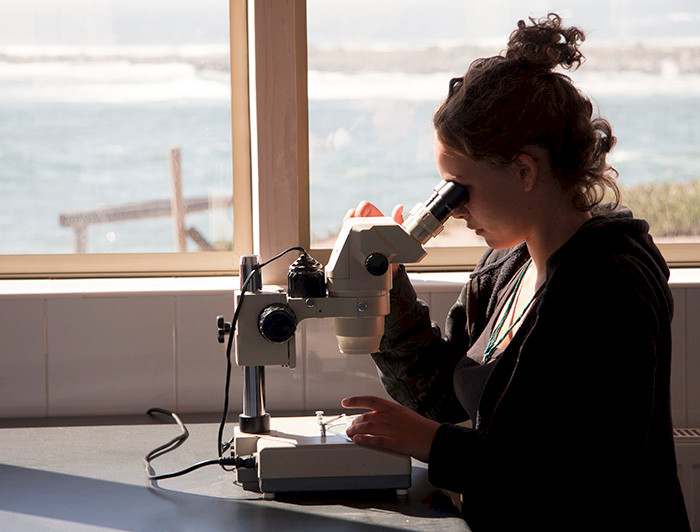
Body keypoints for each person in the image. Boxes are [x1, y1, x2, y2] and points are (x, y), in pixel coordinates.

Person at [341, 13, 690, 532]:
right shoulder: (509, 265)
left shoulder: (611, 287)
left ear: (524, 171)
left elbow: (581, 475)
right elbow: (438, 394)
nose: (452, 209)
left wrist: (431, 444)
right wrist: (382, 279)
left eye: (458, 188)